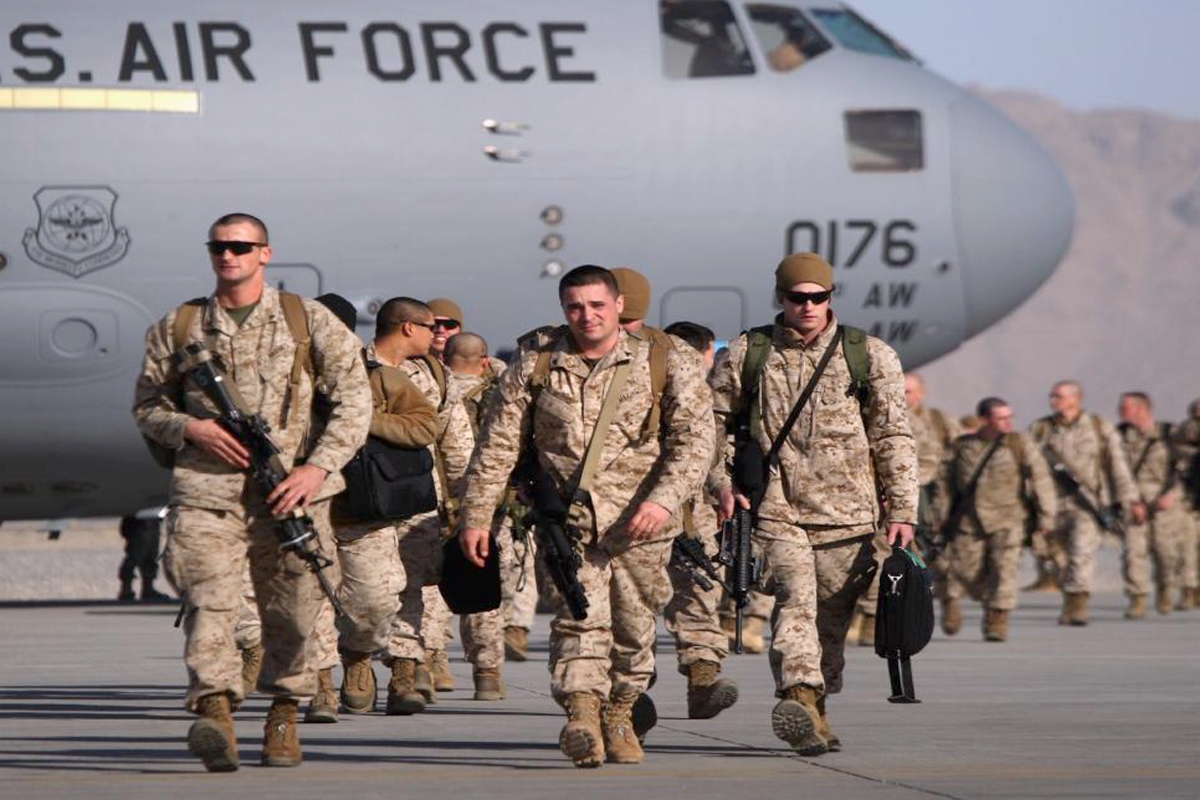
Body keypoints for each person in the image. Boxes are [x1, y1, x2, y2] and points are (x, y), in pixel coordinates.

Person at [132, 213, 371, 771]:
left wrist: (316, 470)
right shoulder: (179, 327)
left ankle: (283, 715)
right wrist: (191, 428)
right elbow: (147, 407)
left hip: (290, 493)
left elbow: (355, 401)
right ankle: (215, 710)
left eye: (241, 246)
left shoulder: (306, 320)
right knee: (207, 600)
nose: (228, 255)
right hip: (207, 491)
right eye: (219, 246)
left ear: (265, 253)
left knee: (293, 609)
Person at [458, 265, 713, 768]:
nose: (586, 316)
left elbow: (694, 441)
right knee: (578, 620)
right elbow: (497, 447)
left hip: (641, 523)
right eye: (575, 307)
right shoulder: (536, 363)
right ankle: (581, 714)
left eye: (597, 305)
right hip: (567, 522)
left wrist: (663, 501)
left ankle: (620, 713)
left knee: (635, 629)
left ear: (618, 306)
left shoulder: (666, 359)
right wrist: (476, 517)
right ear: (563, 309)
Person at [708, 252, 917, 756]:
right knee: (795, 603)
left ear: (830, 297)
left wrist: (903, 510)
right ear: (780, 297)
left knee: (830, 624)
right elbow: (711, 425)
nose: (807, 306)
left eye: (817, 297)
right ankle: (797, 695)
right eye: (797, 297)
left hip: (848, 516)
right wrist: (721, 484)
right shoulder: (748, 353)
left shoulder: (869, 355)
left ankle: (817, 708)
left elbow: (893, 435)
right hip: (775, 509)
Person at [610, 270, 737, 732]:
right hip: (632, 511)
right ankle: (632, 697)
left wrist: (721, 487)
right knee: (633, 606)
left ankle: (702, 679)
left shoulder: (676, 374)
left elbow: (705, 449)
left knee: (698, 590)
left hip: (687, 512)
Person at [377, 298, 477, 712]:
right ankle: (354, 663)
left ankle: (405, 670)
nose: (437, 334)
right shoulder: (351, 366)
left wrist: (469, 506)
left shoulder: (436, 374)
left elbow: (457, 445)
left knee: (412, 585)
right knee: (358, 592)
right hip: (358, 499)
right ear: (407, 328)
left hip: (418, 499)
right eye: (429, 326)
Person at [937, 398, 1056, 641]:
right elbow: (944, 484)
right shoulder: (962, 446)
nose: (1008, 422)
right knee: (963, 570)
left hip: (1008, 519)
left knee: (1005, 571)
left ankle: (997, 619)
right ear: (984, 420)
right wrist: (941, 514)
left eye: (1010, 417)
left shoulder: (1019, 444)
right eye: (1001, 418)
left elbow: (1040, 478)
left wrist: (1047, 515)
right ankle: (951, 602)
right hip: (969, 522)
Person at [1029, 381, 1139, 625]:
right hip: (1051, 506)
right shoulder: (1040, 429)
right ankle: (1070, 596)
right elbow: (1026, 466)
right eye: (1052, 396)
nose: (1053, 400)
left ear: (1075, 399)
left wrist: (1129, 499)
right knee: (1055, 558)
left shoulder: (1099, 428)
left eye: (1058, 396)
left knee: (1081, 552)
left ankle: (1078, 604)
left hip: (1087, 505)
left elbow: (1117, 465)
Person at [1117, 392, 1189, 618]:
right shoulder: (1119, 436)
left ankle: (1165, 588)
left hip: (1164, 503)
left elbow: (1186, 468)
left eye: (1125, 407)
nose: (1120, 410)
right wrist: (1131, 500)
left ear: (1141, 409)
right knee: (1133, 551)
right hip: (1133, 500)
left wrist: (1172, 495)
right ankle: (1137, 598)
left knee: (1165, 552)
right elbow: (1116, 472)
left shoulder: (1170, 434)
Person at [117, 510, 170, 602]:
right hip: (139, 521)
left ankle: (148, 588)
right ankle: (126, 589)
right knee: (134, 556)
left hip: (153, 518)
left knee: (151, 556)